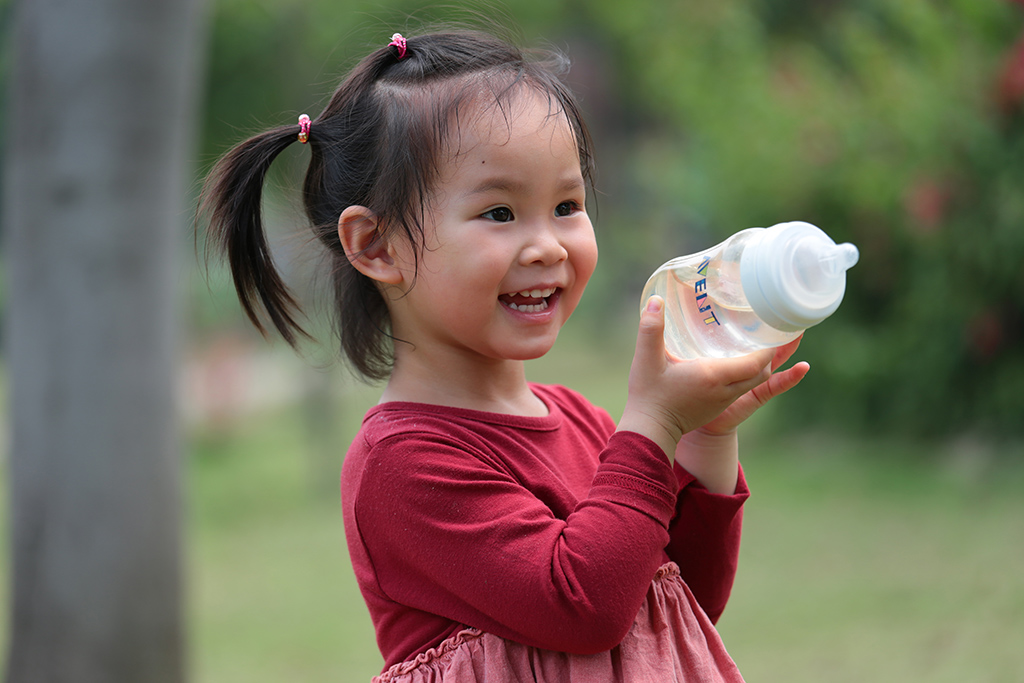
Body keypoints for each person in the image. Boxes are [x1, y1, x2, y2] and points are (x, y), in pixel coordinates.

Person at [200, 27, 809, 683]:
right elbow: (585, 607)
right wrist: (654, 427)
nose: (547, 244)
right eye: (499, 212)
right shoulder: (402, 463)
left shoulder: (581, 420)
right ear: (375, 245)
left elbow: (675, 608)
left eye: (567, 205)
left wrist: (707, 438)